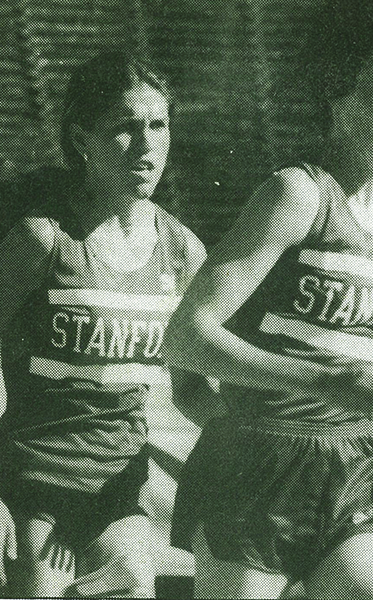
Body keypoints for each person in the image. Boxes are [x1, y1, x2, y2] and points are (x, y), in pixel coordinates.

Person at [0, 49, 206, 598]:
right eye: (125, 128)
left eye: (158, 125)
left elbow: (193, 387)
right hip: (29, 487)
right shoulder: (43, 241)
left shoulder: (182, 251)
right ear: (82, 140)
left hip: (119, 492)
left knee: (130, 579)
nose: (147, 145)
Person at [163, 2, 373, 598]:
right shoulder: (298, 194)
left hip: (355, 462)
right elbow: (187, 336)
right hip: (258, 464)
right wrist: (323, 383)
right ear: (339, 94)